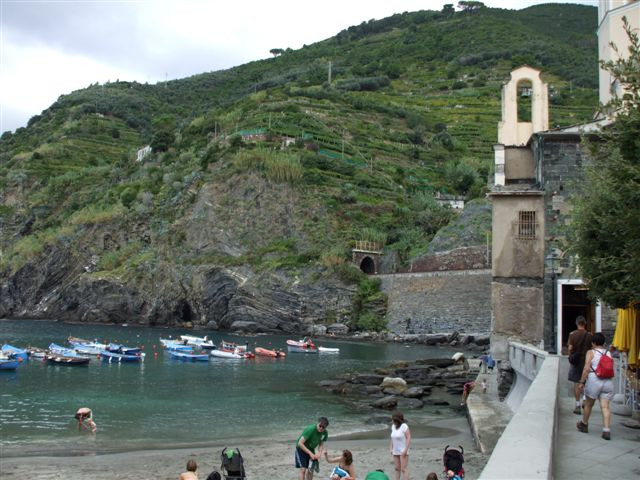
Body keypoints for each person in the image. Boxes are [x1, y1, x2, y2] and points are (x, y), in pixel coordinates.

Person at [576, 332, 614, 440]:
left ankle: (584, 424)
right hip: (607, 381)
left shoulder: (591, 352)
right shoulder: (608, 353)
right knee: (605, 406)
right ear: (603, 342)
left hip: (594, 380)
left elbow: (587, 368)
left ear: (593, 342)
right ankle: (606, 430)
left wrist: (582, 382)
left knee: (588, 404)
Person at [567, 315, 592, 414]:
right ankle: (585, 400)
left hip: (576, 362)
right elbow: (592, 348)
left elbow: (570, 348)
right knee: (586, 382)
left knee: (577, 383)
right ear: (585, 324)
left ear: (577, 323)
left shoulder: (572, 334)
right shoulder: (590, 335)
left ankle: (577, 405)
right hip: (586, 361)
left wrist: (570, 357)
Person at [390, 411, 410, 480]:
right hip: (395, 450)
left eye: (393, 419)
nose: (392, 421)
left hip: (403, 450)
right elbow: (392, 438)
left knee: (403, 469)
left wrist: (405, 450)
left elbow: (408, 438)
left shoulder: (404, 426)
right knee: (397, 468)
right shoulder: (393, 426)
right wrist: (391, 448)